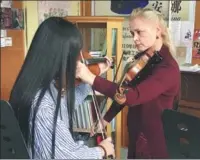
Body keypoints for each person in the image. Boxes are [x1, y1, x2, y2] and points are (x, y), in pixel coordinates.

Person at [76, 8, 180, 159]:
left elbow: (130, 96)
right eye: (132, 33)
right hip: (136, 135)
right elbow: (125, 88)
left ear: (158, 31)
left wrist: (91, 78)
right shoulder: (145, 59)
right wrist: (106, 118)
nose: (135, 39)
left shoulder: (167, 68)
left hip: (153, 142)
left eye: (139, 32)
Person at [9, 17, 115, 159]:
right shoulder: (42, 105)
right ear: (60, 56)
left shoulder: (35, 88)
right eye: (75, 54)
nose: (78, 60)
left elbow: (68, 102)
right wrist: (101, 149)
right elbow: (67, 155)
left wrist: (93, 76)